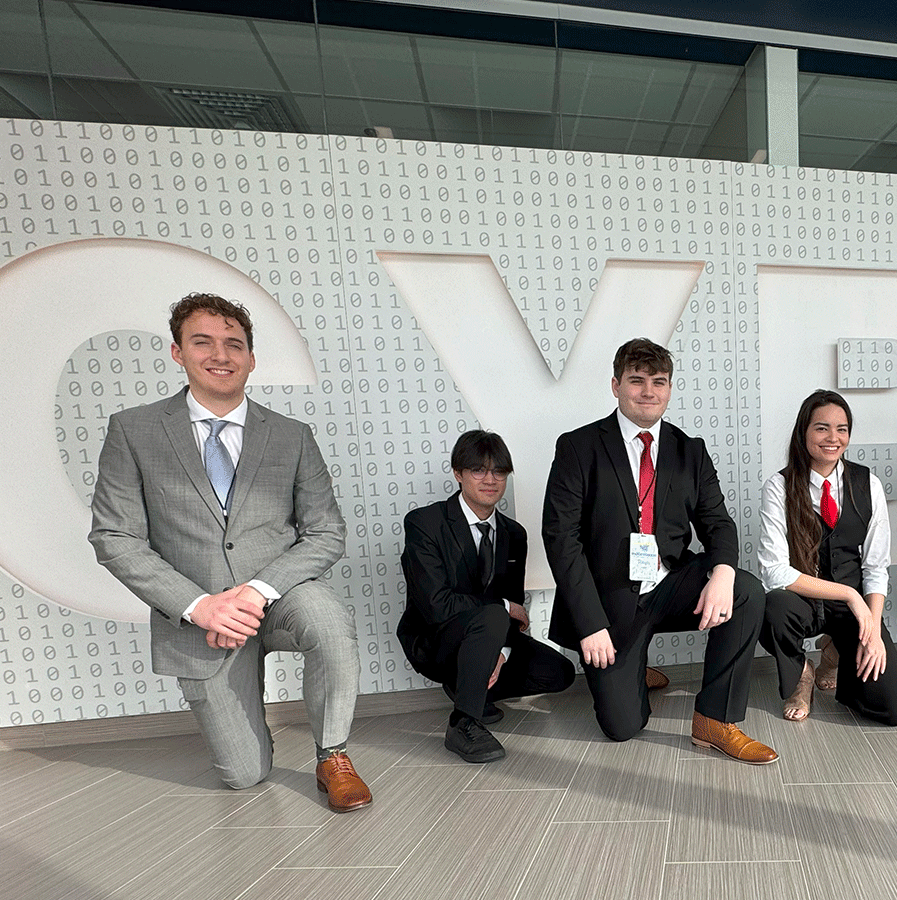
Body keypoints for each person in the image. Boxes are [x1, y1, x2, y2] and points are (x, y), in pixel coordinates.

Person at [89, 293, 370, 811]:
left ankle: (333, 754)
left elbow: (327, 532)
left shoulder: (291, 436)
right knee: (245, 776)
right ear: (178, 352)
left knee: (329, 620)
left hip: (280, 597)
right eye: (203, 342)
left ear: (251, 358)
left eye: (233, 344)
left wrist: (255, 592)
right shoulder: (133, 431)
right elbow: (115, 536)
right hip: (201, 619)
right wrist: (202, 606)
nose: (220, 354)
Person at [542, 338, 777, 763]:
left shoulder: (690, 451)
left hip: (669, 584)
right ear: (616, 385)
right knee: (622, 727)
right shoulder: (578, 447)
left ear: (669, 389)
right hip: (609, 601)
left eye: (658, 381)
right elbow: (562, 540)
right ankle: (631, 670)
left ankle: (715, 720)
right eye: (636, 380)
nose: (648, 391)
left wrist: (722, 573)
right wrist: (590, 624)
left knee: (746, 589)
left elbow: (718, 524)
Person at [399, 430, 576, 763]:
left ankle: (473, 687)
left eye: (499, 471)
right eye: (478, 470)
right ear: (458, 473)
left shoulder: (514, 534)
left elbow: (512, 605)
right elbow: (436, 604)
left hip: (489, 635)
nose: (490, 479)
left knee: (559, 672)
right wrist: (503, 607)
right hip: (436, 640)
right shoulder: (425, 523)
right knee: (496, 612)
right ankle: (463, 722)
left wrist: (503, 652)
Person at [758, 390, 897, 725]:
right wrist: (849, 595)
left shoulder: (867, 484)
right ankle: (802, 675)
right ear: (804, 432)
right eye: (822, 428)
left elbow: (875, 566)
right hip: (803, 600)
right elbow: (774, 571)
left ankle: (832, 654)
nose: (833, 438)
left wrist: (871, 628)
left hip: (851, 609)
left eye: (842, 429)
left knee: (895, 709)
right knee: (770, 607)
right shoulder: (779, 487)